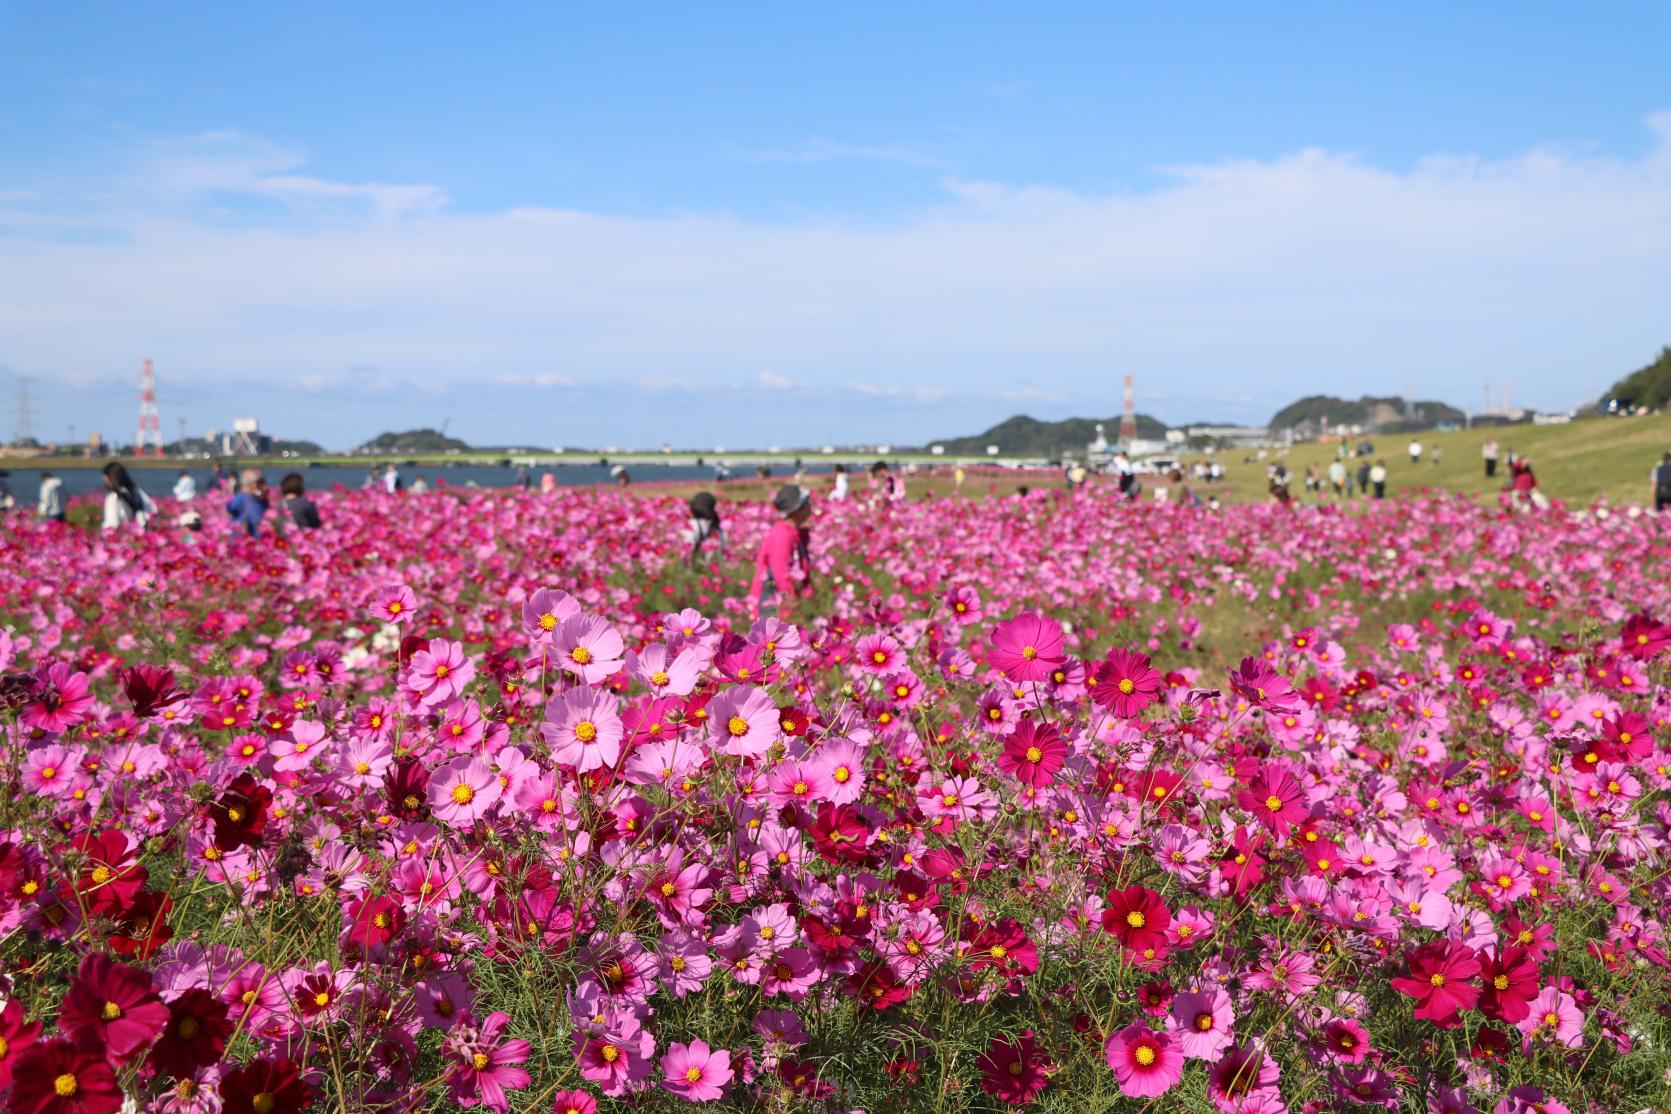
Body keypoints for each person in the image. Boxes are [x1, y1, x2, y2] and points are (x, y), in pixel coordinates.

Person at [748, 484, 813, 619]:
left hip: (784, 602)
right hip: (774, 605)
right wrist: (793, 602)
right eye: (807, 503)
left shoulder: (793, 531)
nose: (810, 506)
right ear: (796, 510)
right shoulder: (782, 535)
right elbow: (781, 574)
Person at [102, 461, 156, 529]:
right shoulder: (137, 492)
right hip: (140, 533)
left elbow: (111, 525)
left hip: (124, 535)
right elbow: (153, 511)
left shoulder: (113, 497)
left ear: (109, 479)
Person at [226, 470, 270, 537]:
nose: (264, 486)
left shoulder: (259, 499)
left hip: (257, 538)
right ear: (252, 483)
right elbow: (231, 509)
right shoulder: (240, 498)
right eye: (261, 482)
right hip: (242, 539)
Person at [687, 491, 725, 565]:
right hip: (714, 569)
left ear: (692, 508)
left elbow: (687, 551)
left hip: (697, 568)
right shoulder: (719, 529)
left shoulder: (692, 525)